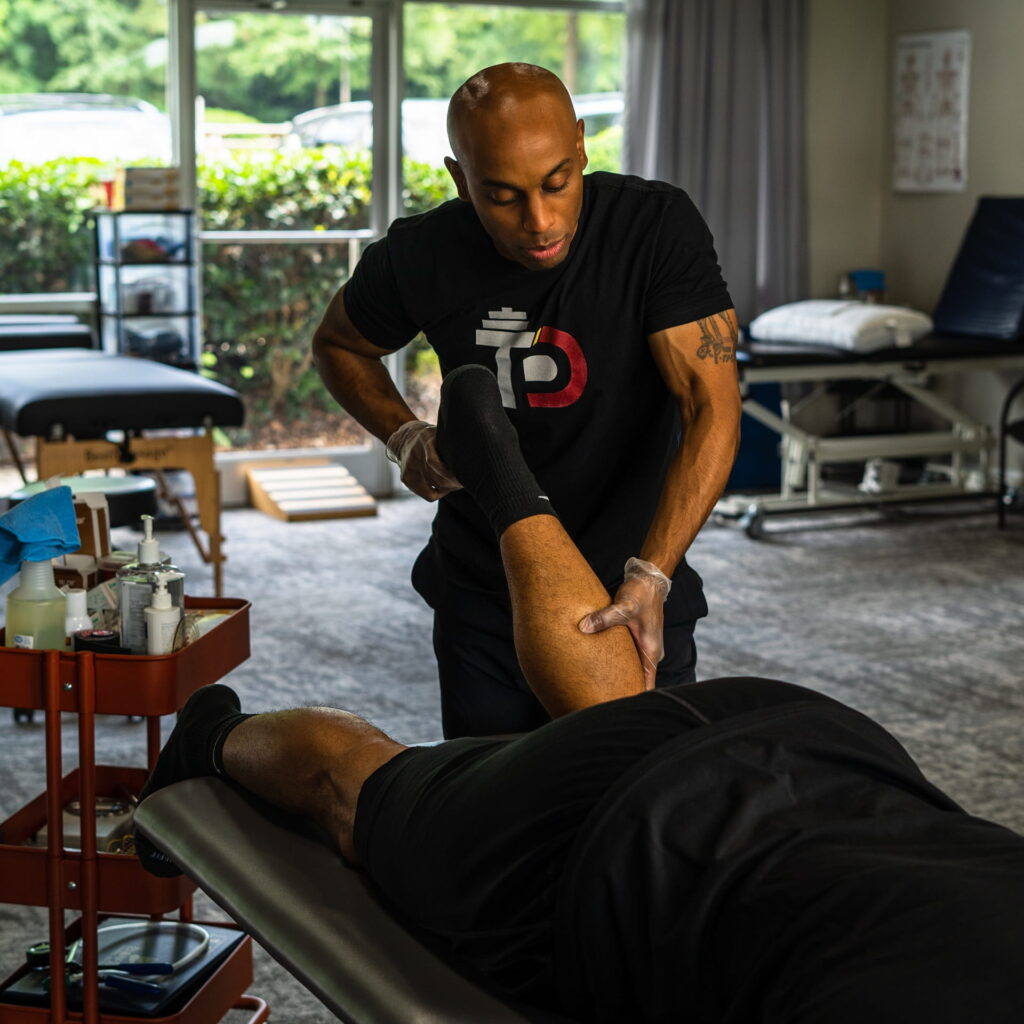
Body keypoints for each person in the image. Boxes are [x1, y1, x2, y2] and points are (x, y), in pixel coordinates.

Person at [139, 367, 1024, 1024]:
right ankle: (210, 735)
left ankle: (508, 485)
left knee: (614, 730)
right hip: (593, 840)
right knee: (356, 789)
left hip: (817, 738)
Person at [311, 61, 742, 738]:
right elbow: (338, 344)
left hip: (630, 578)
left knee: (639, 786)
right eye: (503, 196)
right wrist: (403, 435)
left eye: (556, 183)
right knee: (494, 793)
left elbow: (711, 407)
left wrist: (654, 574)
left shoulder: (654, 227)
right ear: (461, 180)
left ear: (581, 146)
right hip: (484, 593)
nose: (539, 221)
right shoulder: (422, 253)